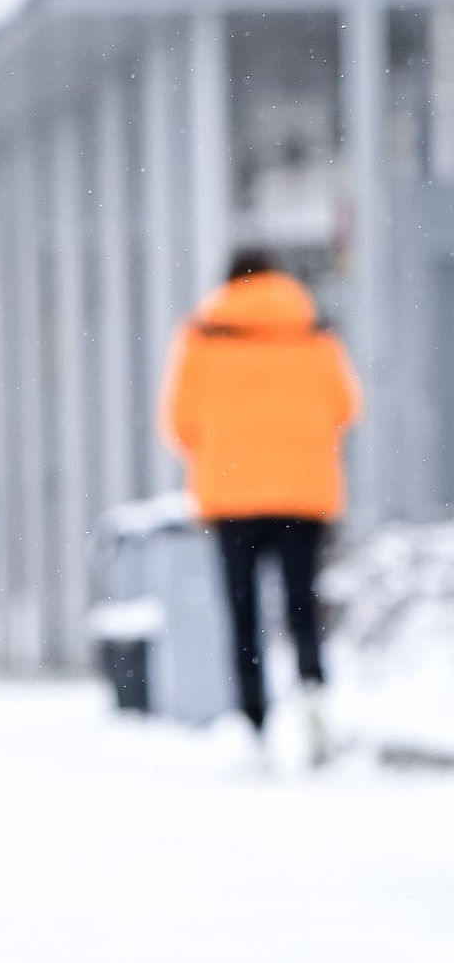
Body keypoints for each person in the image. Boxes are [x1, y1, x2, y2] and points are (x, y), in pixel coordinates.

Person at [160, 246, 360, 754]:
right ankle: (313, 690)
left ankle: (255, 718)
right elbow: (345, 406)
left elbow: (180, 422)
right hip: (303, 492)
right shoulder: (313, 331)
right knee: (301, 603)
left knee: (242, 608)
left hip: (232, 496)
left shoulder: (205, 334)